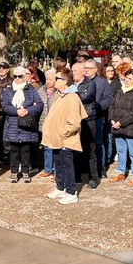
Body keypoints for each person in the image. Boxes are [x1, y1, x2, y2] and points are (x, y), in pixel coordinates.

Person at [42, 68, 87, 204]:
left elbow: (74, 122)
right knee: (59, 164)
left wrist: (63, 133)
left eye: (57, 79)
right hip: (57, 139)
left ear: (65, 81)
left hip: (66, 139)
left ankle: (71, 192)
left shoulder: (72, 97)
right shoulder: (60, 95)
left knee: (68, 165)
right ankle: (60, 187)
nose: (54, 81)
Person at [2, 66, 43, 183]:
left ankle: (25, 171)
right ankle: (14, 172)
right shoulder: (8, 91)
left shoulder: (31, 90)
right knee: (14, 150)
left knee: (26, 150)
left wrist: (28, 110)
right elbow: (5, 106)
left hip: (27, 125)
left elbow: (39, 105)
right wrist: (16, 111)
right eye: (15, 76)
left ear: (25, 77)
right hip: (13, 124)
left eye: (20, 76)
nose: (17, 79)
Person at [108, 68, 133, 186]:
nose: (126, 80)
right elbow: (112, 106)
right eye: (126, 78)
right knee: (121, 151)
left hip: (131, 127)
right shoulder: (121, 91)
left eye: (130, 78)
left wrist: (121, 122)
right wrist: (112, 119)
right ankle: (120, 171)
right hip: (118, 126)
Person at [37, 68, 61, 179]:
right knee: (46, 147)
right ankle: (47, 169)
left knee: (56, 148)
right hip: (43, 123)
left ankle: (57, 172)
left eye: (51, 79)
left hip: (55, 123)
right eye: (47, 79)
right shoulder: (41, 90)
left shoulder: (59, 91)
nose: (48, 81)